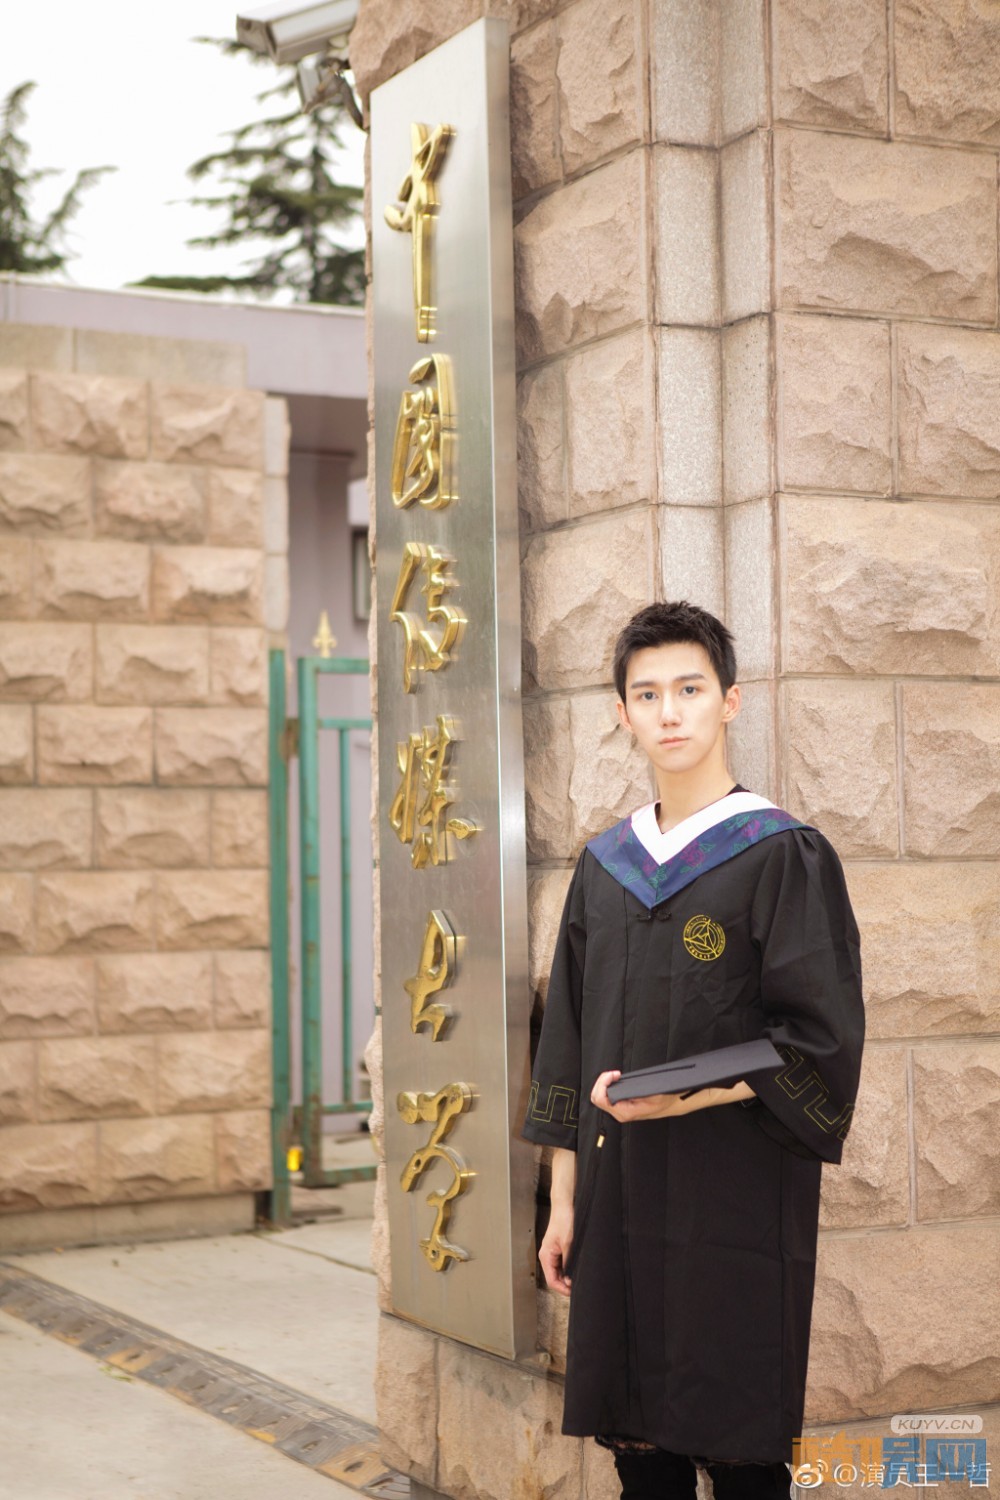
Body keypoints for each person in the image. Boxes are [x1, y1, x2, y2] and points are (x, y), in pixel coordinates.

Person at [522, 601, 865, 1500]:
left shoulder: (781, 854)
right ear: (623, 714)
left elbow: (817, 1039)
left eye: (689, 689)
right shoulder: (605, 867)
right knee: (641, 1458)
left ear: (730, 701)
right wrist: (564, 1205)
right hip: (619, 1196)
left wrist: (689, 1097)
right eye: (647, 695)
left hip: (735, 1197)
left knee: (744, 1455)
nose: (669, 712)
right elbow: (567, 1046)